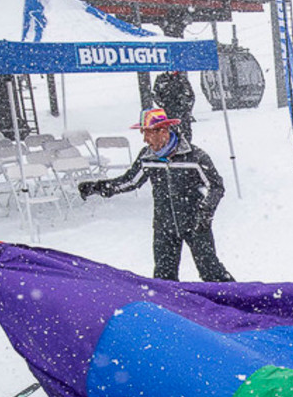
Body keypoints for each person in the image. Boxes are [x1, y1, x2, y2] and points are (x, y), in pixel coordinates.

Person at [77, 108, 233, 283]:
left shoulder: (194, 157)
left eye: (148, 133)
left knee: (211, 272)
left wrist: (205, 213)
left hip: (195, 223)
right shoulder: (147, 157)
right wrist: (98, 187)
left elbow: (216, 186)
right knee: (163, 277)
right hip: (164, 225)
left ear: (163, 131)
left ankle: (237, 302)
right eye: (143, 133)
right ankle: (169, 308)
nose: (145, 139)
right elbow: (131, 181)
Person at [151, 70, 195, 143]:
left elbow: (190, 96)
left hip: (182, 113)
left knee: (186, 133)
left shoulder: (182, 79)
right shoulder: (161, 79)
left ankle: (186, 147)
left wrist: (186, 109)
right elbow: (155, 95)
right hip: (168, 113)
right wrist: (164, 105)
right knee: (170, 134)